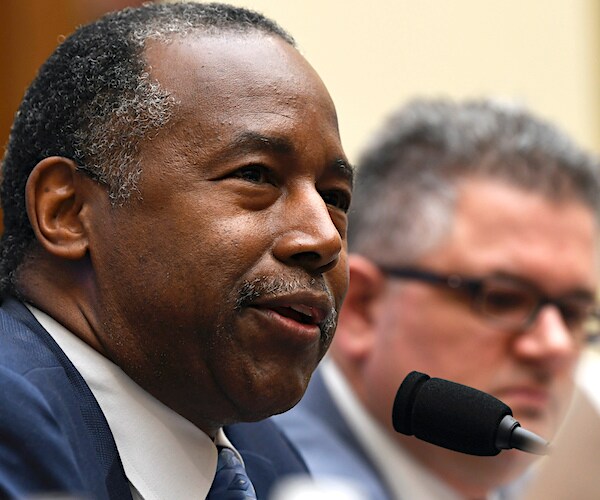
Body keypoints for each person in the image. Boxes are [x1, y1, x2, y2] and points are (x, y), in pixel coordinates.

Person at [0, 2, 354, 499]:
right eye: (255, 175)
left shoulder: (265, 458)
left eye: (335, 198)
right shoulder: (10, 416)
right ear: (68, 211)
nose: (324, 239)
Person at [274, 98, 600, 499]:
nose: (555, 345)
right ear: (360, 308)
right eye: (503, 299)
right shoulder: (261, 479)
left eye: (573, 313)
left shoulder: (553, 483)